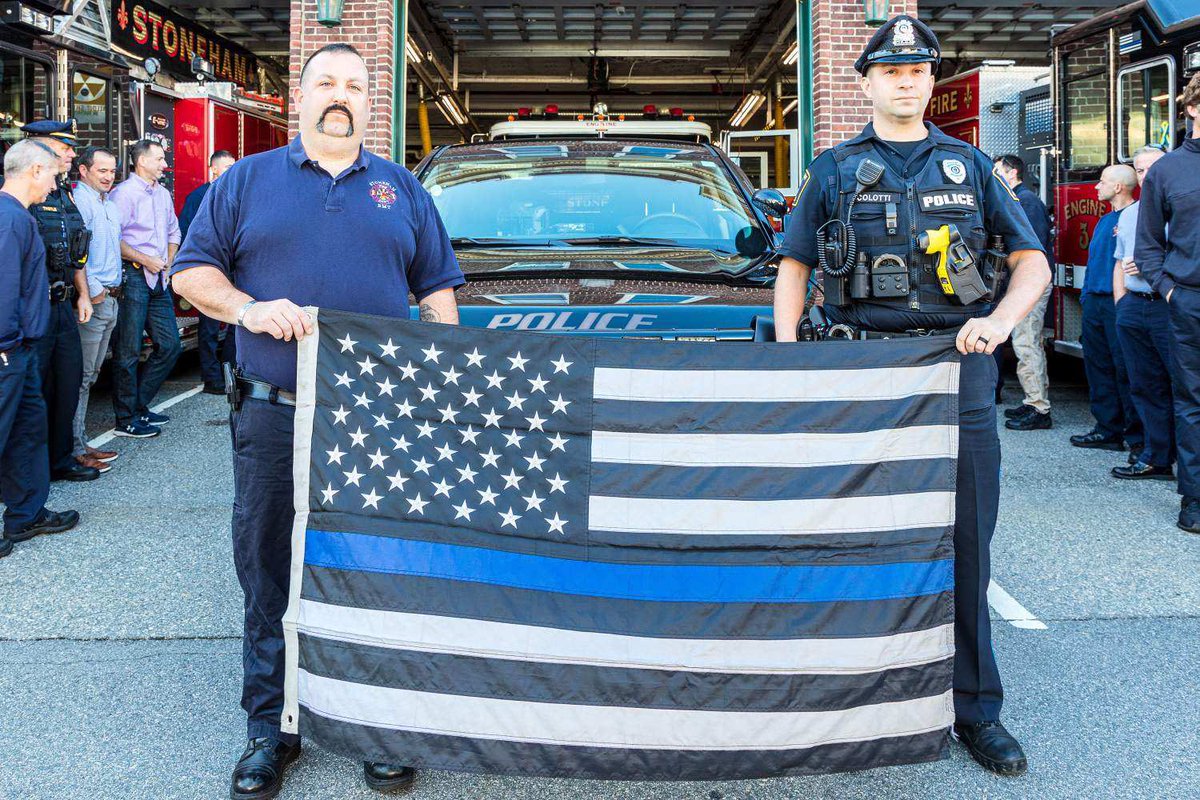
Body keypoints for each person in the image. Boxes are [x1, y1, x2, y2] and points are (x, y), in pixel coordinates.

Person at [171, 43, 465, 800]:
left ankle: (375, 725)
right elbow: (192, 272)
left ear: (373, 103)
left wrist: (444, 374)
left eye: (356, 87)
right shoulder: (245, 181)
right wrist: (246, 308)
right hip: (274, 416)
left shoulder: (402, 188)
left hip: (379, 422)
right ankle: (270, 730)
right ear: (299, 97)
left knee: (375, 567)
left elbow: (437, 293)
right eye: (327, 83)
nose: (342, 96)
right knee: (269, 568)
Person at [773, 15, 1050, 777]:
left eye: (918, 71)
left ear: (930, 82)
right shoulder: (831, 170)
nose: (905, 81)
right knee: (849, 539)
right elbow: (794, 270)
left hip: (954, 372)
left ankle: (975, 709)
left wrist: (996, 322)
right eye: (890, 71)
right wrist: (794, 364)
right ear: (863, 82)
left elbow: (1032, 264)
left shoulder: (971, 167)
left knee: (965, 544)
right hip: (860, 376)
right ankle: (851, 690)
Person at [0, 140, 81, 558]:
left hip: (23, 348)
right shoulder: (8, 218)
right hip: (8, 350)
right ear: (34, 170)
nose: (54, 184)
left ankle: (25, 514)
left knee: (28, 432)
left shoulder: (19, 216)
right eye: (52, 173)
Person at [1135, 72, 1200, 533]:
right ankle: (1195, 499)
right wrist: (1169, 289)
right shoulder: (1166, 171)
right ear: (1193, 106)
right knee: (1192, 401)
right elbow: (1148, 243)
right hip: (1190, 301)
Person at [20, 119, 99, 482]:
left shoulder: (63, 191)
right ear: (40, 145)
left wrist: (82, 293)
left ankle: (60, 459)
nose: (71, 153)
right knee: (32, 393)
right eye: (64, 147)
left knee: (66, 384)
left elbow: (74, 250)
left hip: (64, 304)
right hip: (33, 308)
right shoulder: (21, 191)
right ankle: (27, 477)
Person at [109, 140, 183, 438]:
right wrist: (147, 260)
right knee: (128, 351)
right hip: (135, 276)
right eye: (159, 159)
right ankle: (125, 419)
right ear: (141, 162)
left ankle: (138, 406)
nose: (164, 164)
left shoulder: (163, 194)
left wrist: (167, 258)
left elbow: (173, 231)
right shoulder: (122, 195)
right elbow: (114, 240)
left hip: (158, 279)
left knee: (170, 346)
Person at [1072, 164, 1143, 457]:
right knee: (1098, 367)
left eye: (1102, 182)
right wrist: (1087, 296)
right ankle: (1107, 429)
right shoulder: (1105, 221)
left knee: (1126, 370)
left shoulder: (1136, 218)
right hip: (1095, 302)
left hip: (1120, 303)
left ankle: (1137, 437)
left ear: (1119, 187)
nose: (1096, 187)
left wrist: (1122, 303)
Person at [1112, 145, 1173, 483]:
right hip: (1135, 305)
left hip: (1168, 305)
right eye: (1139, 169)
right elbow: (1120, 262)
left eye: (1152, 168)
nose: (1145, 175)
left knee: (1183, 386)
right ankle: (1156, 458)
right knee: (1144, 386)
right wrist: (1122, 303)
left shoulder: (1181, 207)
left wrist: (1156, 265)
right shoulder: (1130, 214)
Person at [993, 154, 1055, 431]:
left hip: (1030, 284)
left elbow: (1032, 249)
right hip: (1022, 284)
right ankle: (1032, 401)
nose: (994, 176)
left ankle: (1039, 407)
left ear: (1014, 172)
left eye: (999, 171)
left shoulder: (1026, 202)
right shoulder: (1019, 199)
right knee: (1023, 343)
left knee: (1027, 343)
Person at [71, 146, 124, 473]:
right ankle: (75, 449)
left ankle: (81, 441)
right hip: (96, 300)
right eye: (102, 170)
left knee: (91, 375)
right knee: (82, 376)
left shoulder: (109, 204)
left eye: (112, 170)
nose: (108, 176)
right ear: (84, 171)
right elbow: (80, 255)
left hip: (111, 298)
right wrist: (92, 294)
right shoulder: (82, 204)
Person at [180, 150, 237, 395]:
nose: (231, 171)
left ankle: (231, 373)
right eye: (226, 167)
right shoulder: (198, 196)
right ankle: (211, 378)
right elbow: (187, 232)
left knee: (236, 324)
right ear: (212, 169)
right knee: (209, 326)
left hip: (235, 268)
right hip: (211, 268)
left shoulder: (238, 194)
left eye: (233, 166)